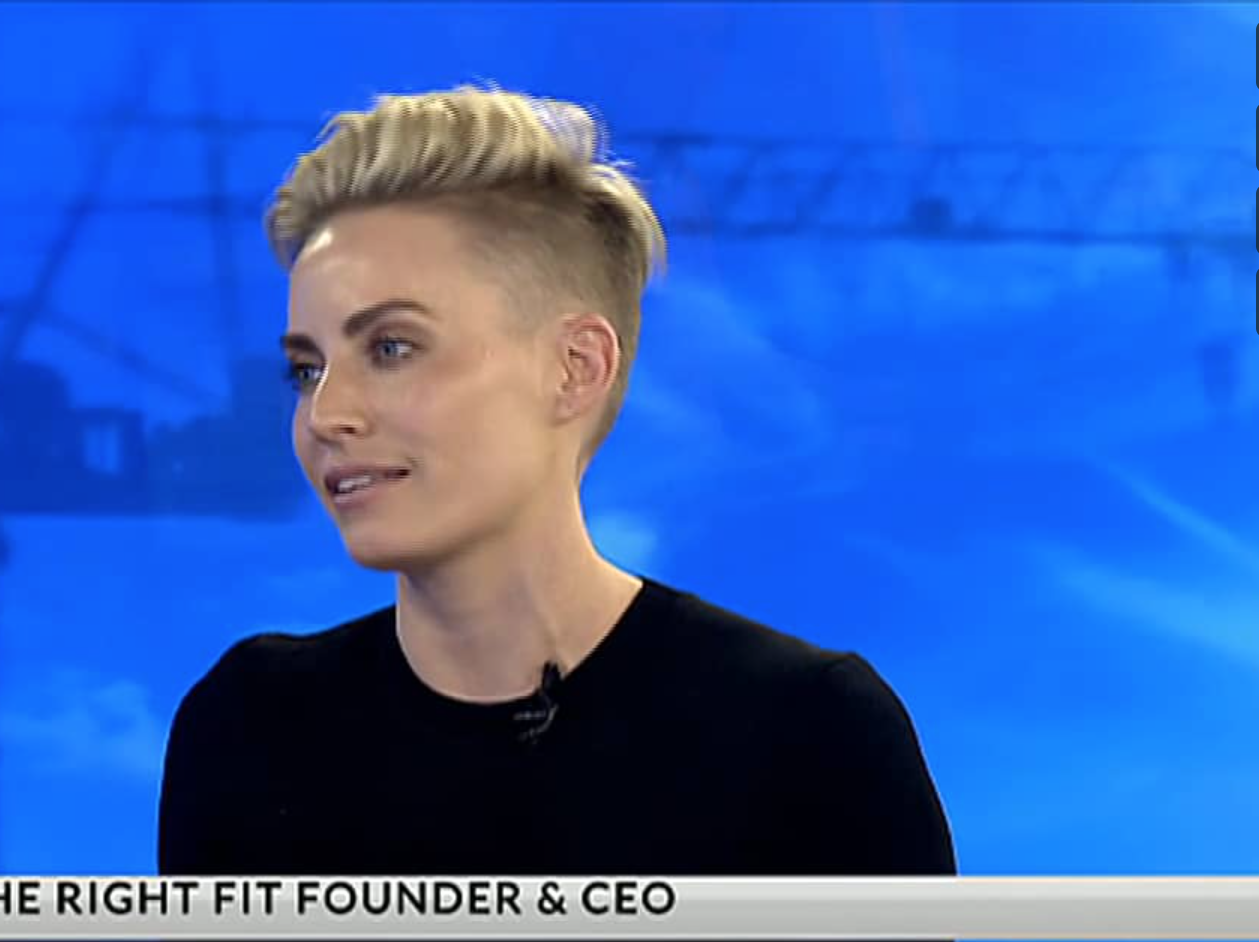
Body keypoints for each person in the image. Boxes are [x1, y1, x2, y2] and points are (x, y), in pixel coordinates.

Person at [157, 86, 955, 877]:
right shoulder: (249, 728)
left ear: (576, 368)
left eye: (392, 348)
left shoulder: (811, 734)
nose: (327, 415)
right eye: (307, 369)